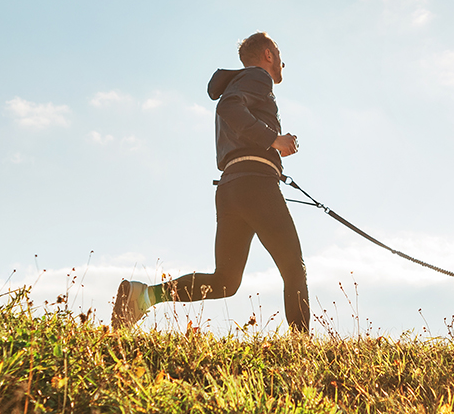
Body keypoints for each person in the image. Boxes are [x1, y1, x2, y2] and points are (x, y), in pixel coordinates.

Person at [111, 31, 310, 332]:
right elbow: (228, 107)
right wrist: (274, 139)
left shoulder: (240, 82)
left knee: (225, 280)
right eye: (279, 54)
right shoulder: (257, 77)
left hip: (232, 188)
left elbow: (232, 113)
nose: (283, 62)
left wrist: (272, 146)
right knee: (293, 267)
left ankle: (144, 296)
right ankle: (301, 345)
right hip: (255, 185)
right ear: (268, 54)